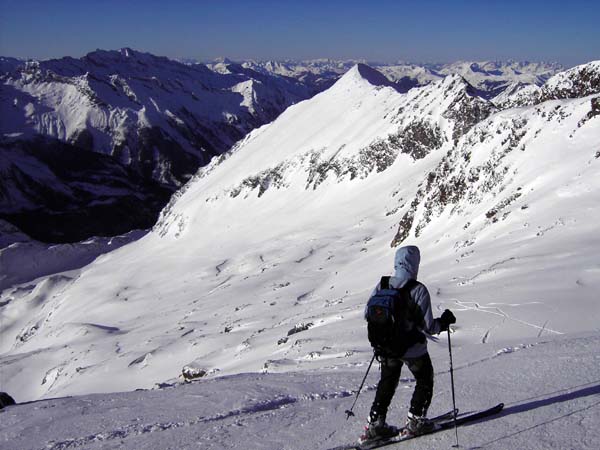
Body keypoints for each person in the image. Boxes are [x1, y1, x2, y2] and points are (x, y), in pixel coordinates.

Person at [363, 245, 456, 441]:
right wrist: (445, 322)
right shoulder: (418, 289)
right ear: (415, 264)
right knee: (424, 379)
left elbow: (367, 314)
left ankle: (375, 424)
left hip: (386, 346)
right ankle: (416, 420)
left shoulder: (383, 285)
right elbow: (429, 327)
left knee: (387, 382)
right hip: (412, 348)